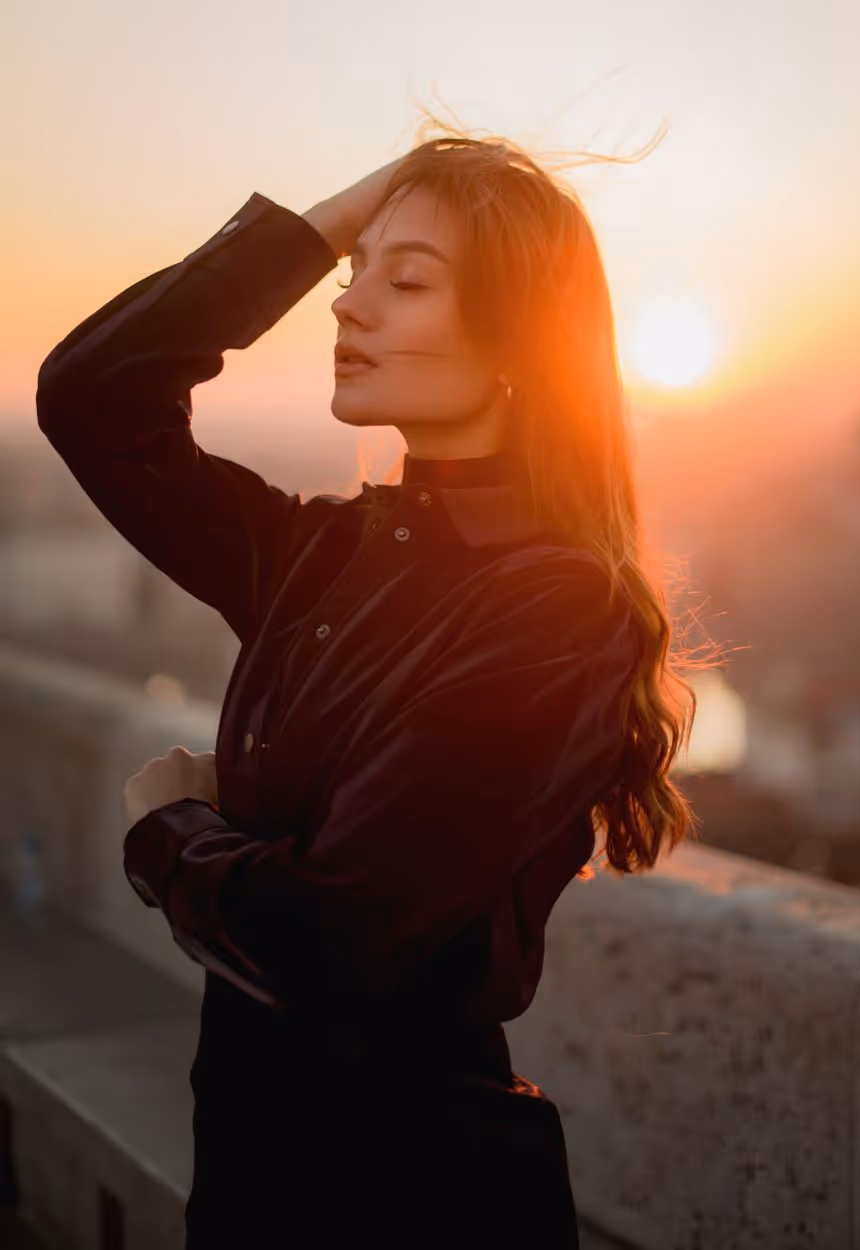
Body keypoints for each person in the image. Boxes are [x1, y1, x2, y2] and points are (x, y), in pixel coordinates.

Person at [35, 121, 704, 1248]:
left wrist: (169, 828)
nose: (345, 307)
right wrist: (326, 223)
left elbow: (329, 936)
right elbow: (95, 400)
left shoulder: (555, 606)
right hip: (254, 1174)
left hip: (416, 1194)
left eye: (407, 281)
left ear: (515, 339)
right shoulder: (322, 555)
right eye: (351, 278)